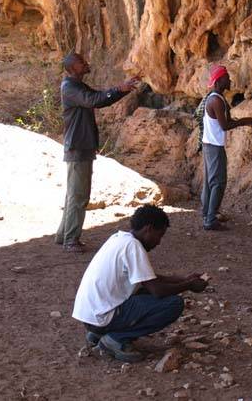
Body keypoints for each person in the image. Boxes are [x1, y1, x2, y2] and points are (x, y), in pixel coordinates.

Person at [72, 204, 208, 362]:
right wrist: (189, 286)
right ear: (148, 229)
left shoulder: (119, 238)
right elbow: (157, 290)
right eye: (159, 235)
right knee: (173, 304)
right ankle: (115, 339)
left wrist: (184, 278)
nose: (158, 242)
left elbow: (148, 278)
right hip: (102, 317)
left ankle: (100, 333)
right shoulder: (133, 246)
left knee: (143, 290)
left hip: (90, 316)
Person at [55, 53, 138, 253]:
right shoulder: (71, 88)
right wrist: (119, 88)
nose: (86, 63)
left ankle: (63, 235)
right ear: (73, 67)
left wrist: (123, 90)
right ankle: (70, 240)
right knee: (78, 196)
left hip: (80, 146)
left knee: (74, 194)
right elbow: (93, 100)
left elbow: (101, 100)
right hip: (78, 147)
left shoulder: (76, 86)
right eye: (81, 62)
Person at [201, 65, 252, 231]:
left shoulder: (215, 97)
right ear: (219, 81)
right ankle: (210, 220)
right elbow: (225, 125)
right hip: (214, 146)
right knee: (218, 182)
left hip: (209, 144)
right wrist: (247, 121)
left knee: (210, 182)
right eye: (227, 78)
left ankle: (208, 214)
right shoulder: (216, 100)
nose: (230, 80)